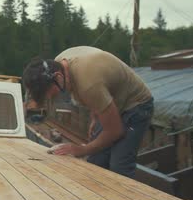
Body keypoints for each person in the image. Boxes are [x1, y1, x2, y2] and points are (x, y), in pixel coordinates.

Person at [22, 46, 153, 178]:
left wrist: (81, 149)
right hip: (112, 101)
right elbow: (102, 88)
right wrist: (95, 117)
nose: (50, 98)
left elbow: (115, 130)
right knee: (96, 162)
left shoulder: (88, 84)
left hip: (136, 105)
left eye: (48, 93)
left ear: (58, 77)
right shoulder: (56, 65)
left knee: (119, 166)